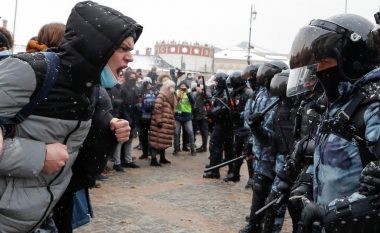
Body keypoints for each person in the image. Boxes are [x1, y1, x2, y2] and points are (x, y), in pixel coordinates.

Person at [0, 1, 142, 232]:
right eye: (123, 49)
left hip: (46, 215)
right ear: (98, 46)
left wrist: (108, 127)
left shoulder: (89, 87)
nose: (130, 58)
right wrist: (39, 156)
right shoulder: (30, 71)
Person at [287, 13, 380, 233]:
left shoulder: (373, 107)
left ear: (353, 60)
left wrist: (334, 213)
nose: (319, 71)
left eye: (325, 62)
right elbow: (325, 157)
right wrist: (305, 185)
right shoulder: (339, 102)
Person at [240, 61, 288, 233]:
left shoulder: (280, 98)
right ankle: (254, 224)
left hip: (275, 155)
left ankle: (266, 227)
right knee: (258, 189)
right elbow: (254, 121)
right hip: (260, 152)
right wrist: (250, 143)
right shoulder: (261, 95)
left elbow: (272, 132)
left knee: (274, 198)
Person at [223, 71, 253, 182]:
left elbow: (251, 110)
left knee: (249, 154)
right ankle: (235, 174)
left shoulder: (248, 93)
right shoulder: (234, 93)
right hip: (238, 128)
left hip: (247, 128)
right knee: (237, 152)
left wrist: (240, 115)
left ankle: (251, 179)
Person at [203, 72, 234, 179]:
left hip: (224, 124)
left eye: (216, 81)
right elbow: (215, 103)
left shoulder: (226, 92)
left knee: (216, 145)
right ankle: (217, 168)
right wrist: (208, 102)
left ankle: (215, 171)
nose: (215, 83)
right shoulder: (220, 91)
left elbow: (223, 108)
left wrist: (212, 112)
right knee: (225, 147)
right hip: (222, 123)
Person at [149, 80, 177, 166]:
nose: (173, 88)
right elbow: (157, 108)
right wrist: (159, 120)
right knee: (156, 140)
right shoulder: (162, 95)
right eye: (171, 87)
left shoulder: (171, 96)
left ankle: (162, 158)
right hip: (160, 121)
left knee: (163, 140)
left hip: (167, 121)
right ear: (168, 87)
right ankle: (153, 159)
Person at [119, 70, 141, 169]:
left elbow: (137, 101)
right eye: (131, 77)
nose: (133, 79)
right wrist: (126, 117)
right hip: (125, 116)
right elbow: (122, 105)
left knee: (130, 139)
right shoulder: (123, 89)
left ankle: (128, 160)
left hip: (134, 116)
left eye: (134, 77)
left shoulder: (135, 89)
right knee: (122, 140)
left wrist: (138, 106)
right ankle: (119, 161)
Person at [173, 81, 197, 156]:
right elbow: (174, 103)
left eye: (184, 86)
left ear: (187, 87)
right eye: (181, 86)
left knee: (190, 132)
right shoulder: (176, 92)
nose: (183, 88)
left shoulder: (190, 93)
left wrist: (188, 93)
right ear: (179, 86)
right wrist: (178, 98)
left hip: (187, 116)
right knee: (176, 133)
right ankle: (176, 149)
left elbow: (193, 102)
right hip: (178, 116)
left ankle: (193, 149)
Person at [139, 77, 156, 159]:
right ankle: (145, 153)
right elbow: (139, 103)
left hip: (152, 116)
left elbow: (156, 102)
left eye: (149, 82)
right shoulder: (141, 91)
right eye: (146, 83)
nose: (148, 84)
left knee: (152, 136)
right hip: (143, 117)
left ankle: (151, 153)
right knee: (144, 136)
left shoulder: (154, 91)